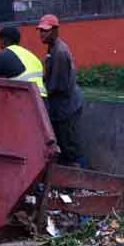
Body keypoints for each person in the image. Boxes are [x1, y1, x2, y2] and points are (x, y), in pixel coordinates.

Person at [38, 14, 83, 166]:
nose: (42, 34)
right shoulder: (52, 48)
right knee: (64, 146)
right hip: (62, 105)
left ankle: (79, 176)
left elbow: (58, 86)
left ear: (55, 30)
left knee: (69, 147)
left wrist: (41, 92)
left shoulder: (60, 52)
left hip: (67, 107)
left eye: (45, 30)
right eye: (40, 30)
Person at [0, 27, 47, 97]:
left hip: (27, 98)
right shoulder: (30, 55)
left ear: (4, 40)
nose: (0, 45)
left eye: (0, 40)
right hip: (42, 99)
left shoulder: (5, 54)